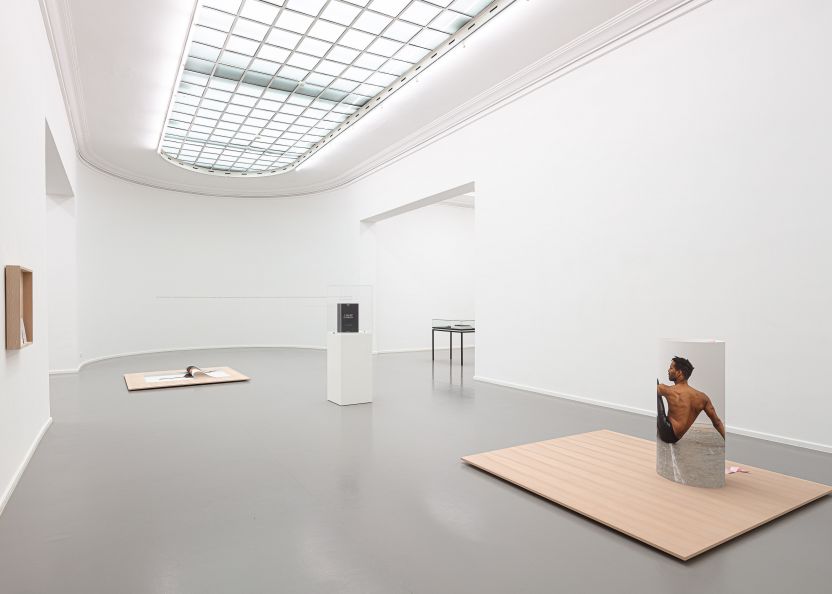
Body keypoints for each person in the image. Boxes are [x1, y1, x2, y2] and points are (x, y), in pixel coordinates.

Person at [656, 356, 725, 443]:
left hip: (666, 432)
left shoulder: (668, 390)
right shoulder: (703, 397)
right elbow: (717, 422)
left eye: (671, 368)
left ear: (679, 372)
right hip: (676, 438)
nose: (668, 370)